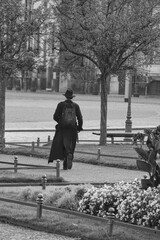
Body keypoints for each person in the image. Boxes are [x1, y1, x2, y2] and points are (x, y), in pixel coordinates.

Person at [48, 89, 83, 170]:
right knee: (71, 145)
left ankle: (64, 160)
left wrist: (60, 122)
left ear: (65, 96)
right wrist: (79, 127)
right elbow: (80, 118)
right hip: (73, 129)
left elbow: (55, 116)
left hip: (62, 128)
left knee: (61, 144)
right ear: (72, 97)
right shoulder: (76, 106)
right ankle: (68, 158)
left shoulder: (61, 105)